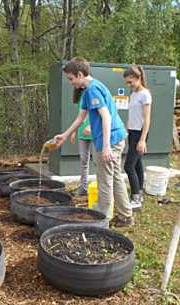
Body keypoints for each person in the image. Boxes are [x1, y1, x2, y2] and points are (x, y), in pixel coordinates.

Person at [54, 57, 133, 227]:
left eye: (71, 78)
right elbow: (80, 117)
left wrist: (105, 147)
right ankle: (126, 215)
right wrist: (65, 135)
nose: (70, 82)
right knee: (116, 177)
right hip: (115, 137)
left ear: (80, 74)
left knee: (104, 179)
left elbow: (106, 117)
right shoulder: (89, 89)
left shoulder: (92, 90)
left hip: (110, 140)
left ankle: (101, 221)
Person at [123, 65, 151, 210]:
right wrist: (127, 129)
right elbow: (133, 115)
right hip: (132, 132)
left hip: (140, 132)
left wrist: (142, 140)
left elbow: (147, 119)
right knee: (137, 163)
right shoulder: (133, 94)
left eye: (130, 82)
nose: (129, 85)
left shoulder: (145, 94)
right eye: (127, 82)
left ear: (138, 78)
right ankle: (139, 192)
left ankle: (135, 199)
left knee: (128, 166)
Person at [70, 87, 93, 196]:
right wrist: (74, 131)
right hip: (81, 133)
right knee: (84, 161)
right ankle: (84, 188)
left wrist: (90, 126)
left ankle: (101, 189)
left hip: (94, 132)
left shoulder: (92, 92)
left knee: (99, 163)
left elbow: (98, 112)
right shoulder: (80, 96)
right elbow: (79, 117)